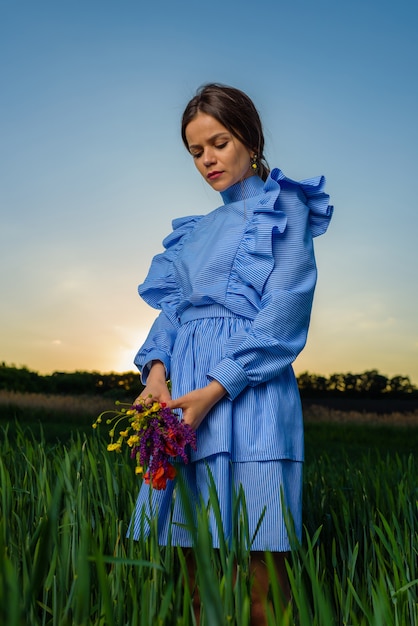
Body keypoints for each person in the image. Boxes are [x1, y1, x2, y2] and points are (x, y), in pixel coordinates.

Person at [129, 83, 333, 624]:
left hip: (249, 397)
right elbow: (172, 314)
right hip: (184, 406)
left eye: (218, 143)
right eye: (196, 151)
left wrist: (215, 388)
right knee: (196, 574)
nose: (207, 160)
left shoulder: (283, 204)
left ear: (250, 137)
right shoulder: (192, 234)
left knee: (262, 576)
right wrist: (155, 376)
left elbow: (285, 309)